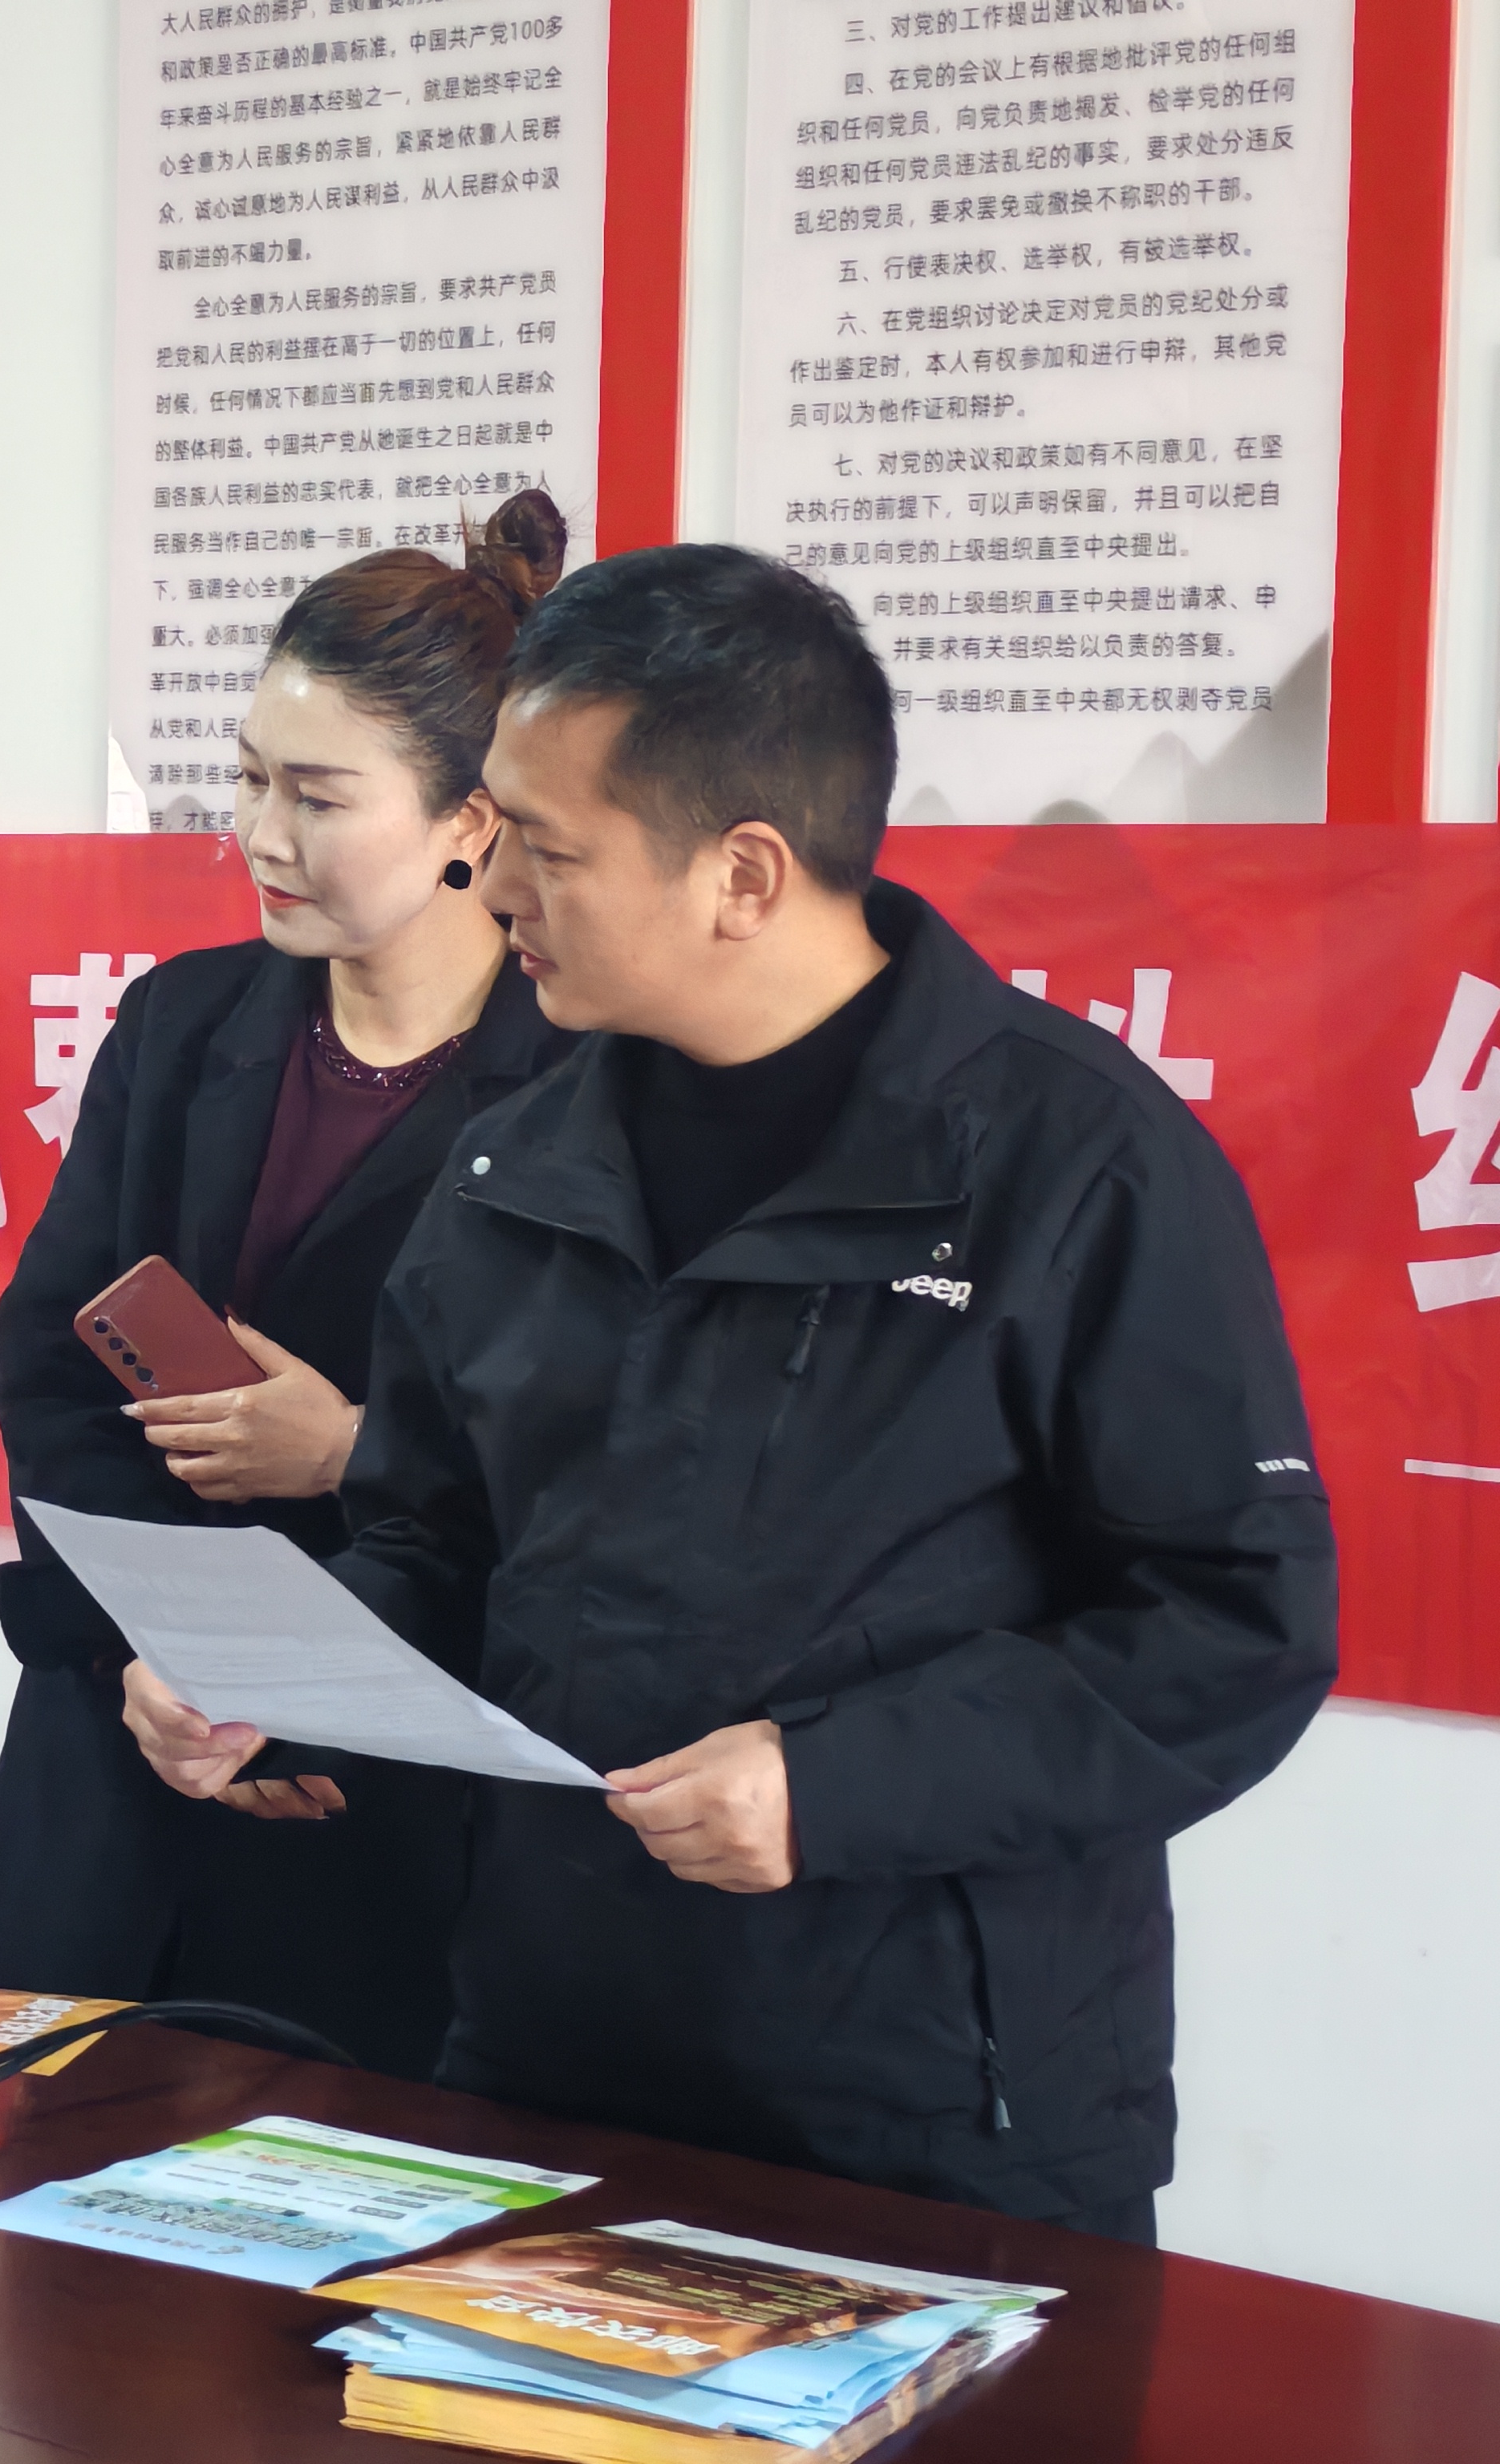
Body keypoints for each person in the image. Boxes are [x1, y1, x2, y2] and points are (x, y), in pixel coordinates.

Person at [121, 545, 1336, 2239]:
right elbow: (437, 1546)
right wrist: (274, 1679)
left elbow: (1229, 1628)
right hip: (549, 2053)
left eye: (546, 849)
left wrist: (835, 1787)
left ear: (742, 874)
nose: (491, 885)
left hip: (935, 2114)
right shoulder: (512, 1165)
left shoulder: (1075, 1166)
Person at [0, 494, 578, 2074]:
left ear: (470, 823)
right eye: (245, 778)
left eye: (316, 795)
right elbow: (52, 1367)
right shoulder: (185, 1023)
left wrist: (355, 1450)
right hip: (113, 1791)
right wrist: (148, 1663)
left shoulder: (581, 1094)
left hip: (384, 1822)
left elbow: (600, 1466)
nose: (260, 834)